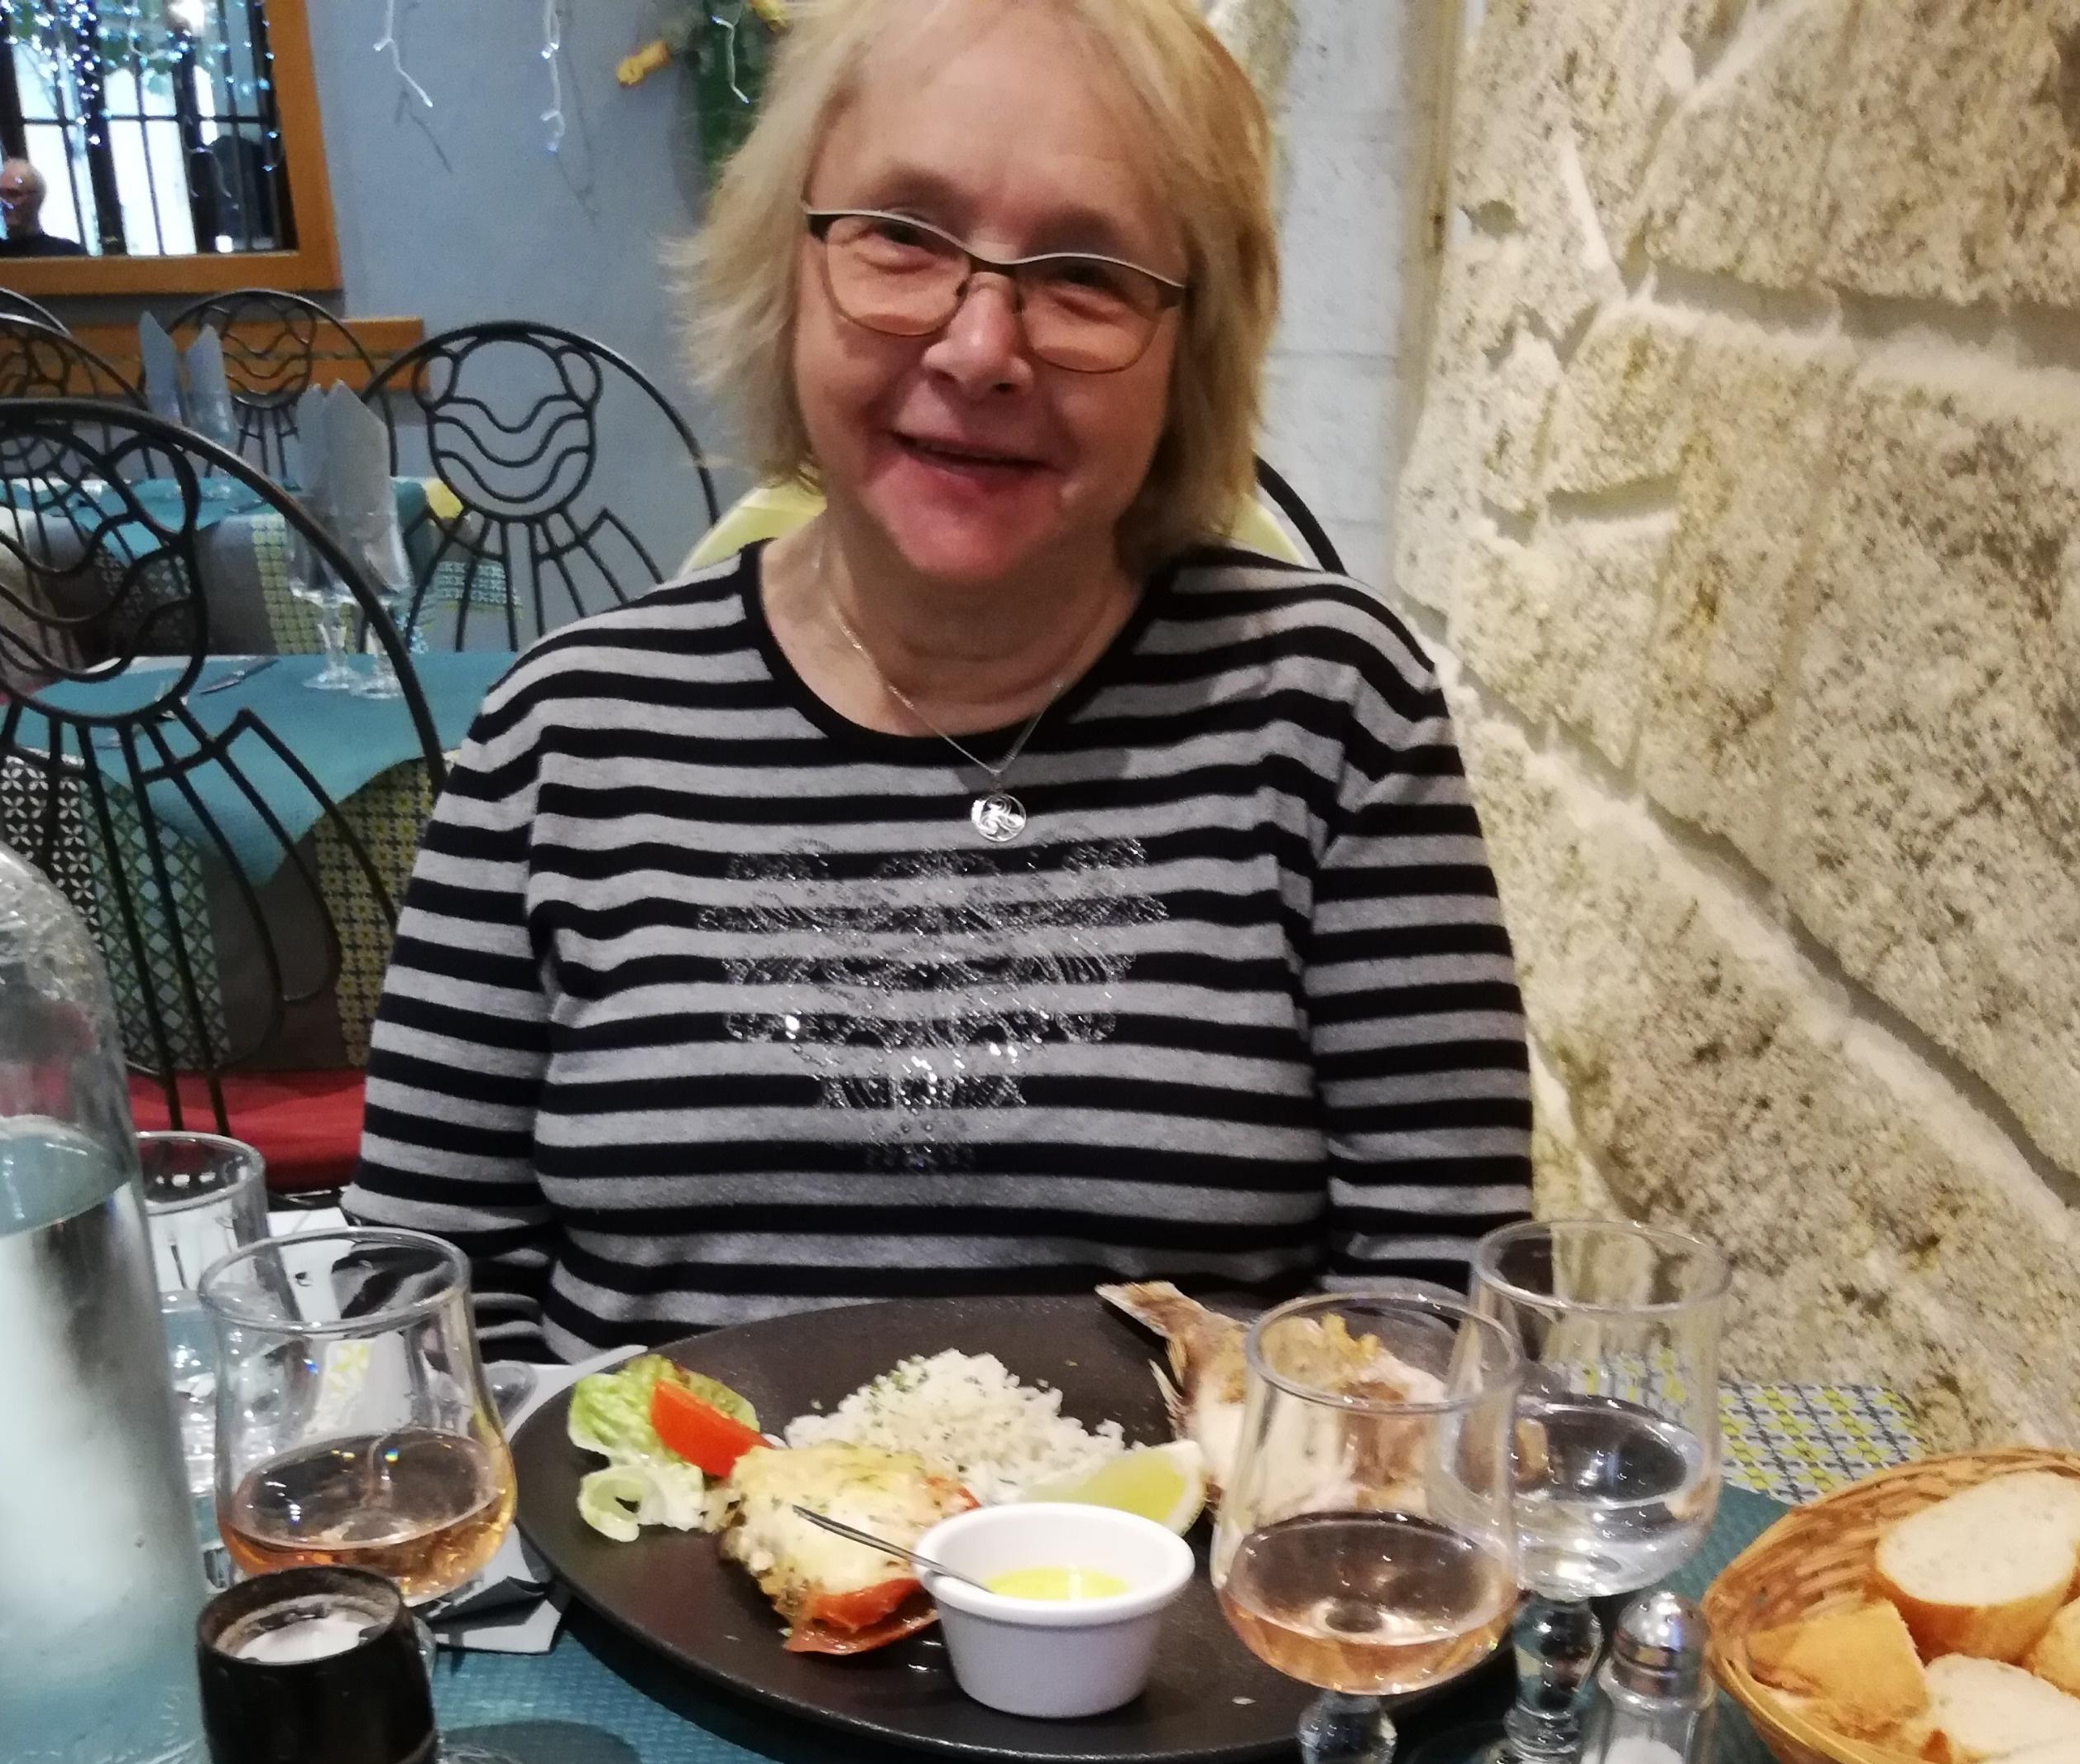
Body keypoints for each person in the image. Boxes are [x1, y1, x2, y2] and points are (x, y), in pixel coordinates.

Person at [351, 0, 1532, 1359]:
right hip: (629, 1500)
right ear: (787, 270)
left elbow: (1444, 1315)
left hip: (1214, 1504)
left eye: (1083, 274)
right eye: (903, 237)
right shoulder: (563, 736)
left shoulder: (1331, 711)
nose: (979, 351)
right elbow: (419, 1300)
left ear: (1187, 352)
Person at [0, 156, 85, 257]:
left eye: (13, 194)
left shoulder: (66, 253)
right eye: (0, 195)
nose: (3, 203)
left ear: (36, 199)